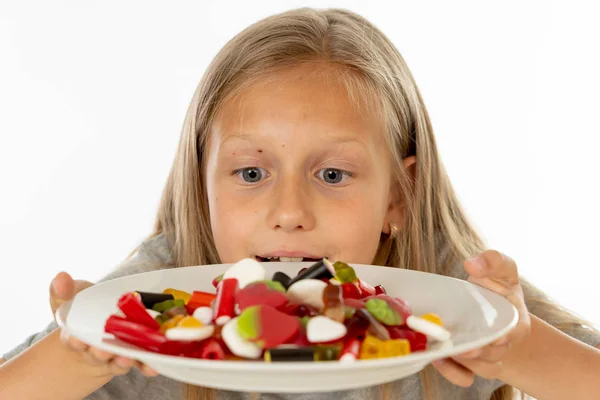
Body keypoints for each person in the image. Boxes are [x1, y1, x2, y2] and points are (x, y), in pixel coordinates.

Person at [1, 7, 599, 400]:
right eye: (252, 172)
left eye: (333, 173)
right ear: (202, 186)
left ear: (400, 195)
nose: (289, 211)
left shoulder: (454, 297)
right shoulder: (161, 298)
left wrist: (525, 353)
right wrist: (78, 361)